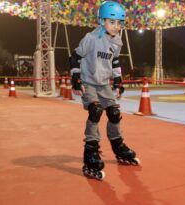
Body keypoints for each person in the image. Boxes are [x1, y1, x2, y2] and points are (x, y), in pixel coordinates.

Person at [69, 1, 139, 180]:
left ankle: (118, 146)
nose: (116, 27)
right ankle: (90, 153)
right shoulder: (91, 39)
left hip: (104, 84)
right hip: (88, 82)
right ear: (101, 21)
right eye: (111, 22)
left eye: (119, 23)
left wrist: (118, 80)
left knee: (114, 113)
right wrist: (76, 79)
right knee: (95, 110)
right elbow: (75, 57)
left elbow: (114, 62)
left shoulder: (117, 41)